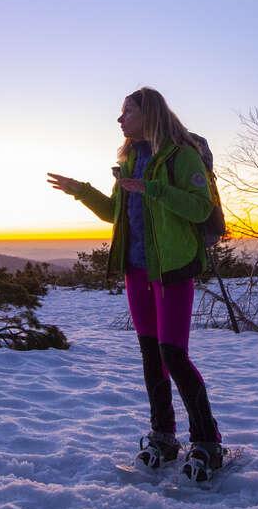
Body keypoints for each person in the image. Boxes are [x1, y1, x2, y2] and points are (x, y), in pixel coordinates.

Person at [47, 87, 226, 481]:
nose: (120, 118)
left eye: (127, 111)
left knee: (173, 355)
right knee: (151, 356)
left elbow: (200, 208)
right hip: (137, 269)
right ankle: (163, 435)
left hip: (173, 268)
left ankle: (208, 440)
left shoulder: (181, 155)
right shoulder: (129, 159)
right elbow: (117, 212)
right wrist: (82, 191)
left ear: (150, 114)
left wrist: (152, 188)